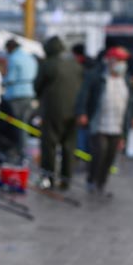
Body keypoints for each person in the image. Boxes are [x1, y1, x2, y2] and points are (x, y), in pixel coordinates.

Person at [76, 46, 133, 196]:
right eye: (118, 60)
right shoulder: (97, 76)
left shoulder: (125, 80)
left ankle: (102, 183)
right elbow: (84, 95)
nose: (121, 64)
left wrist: (131, 121)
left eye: (123, 61)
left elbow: (129, 104)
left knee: (110, 156)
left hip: (118, 125)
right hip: (99, 122)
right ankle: (92, 180)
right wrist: (82, 112)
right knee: (99, 153)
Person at [34, 35, 83, 190]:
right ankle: (66, 180)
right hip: (73, 111)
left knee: (49, 145)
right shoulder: (75, 64)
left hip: (52, 111)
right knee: (69, 146)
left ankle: (48, 177)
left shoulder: (48, 64)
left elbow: (37, 87)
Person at [0, 38, 38, 163]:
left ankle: (21, 154)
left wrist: (3, 81)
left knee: (18, 127)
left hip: (16, 96)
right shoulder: (29, 58)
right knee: (25, 125)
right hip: (29, 95)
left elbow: (10, 78)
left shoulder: (14, 59)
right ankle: (25, 153)